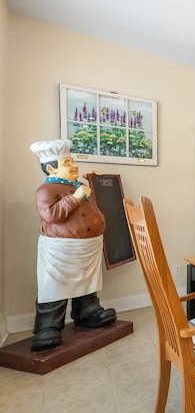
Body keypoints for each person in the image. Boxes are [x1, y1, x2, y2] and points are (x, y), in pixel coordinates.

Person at [29, 139, 116, 351]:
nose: (73, 165)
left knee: (88, 282)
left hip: (88, 247)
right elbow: (52, 215)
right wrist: (75, 197)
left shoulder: (77, 186)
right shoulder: (46, 190)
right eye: (67, 163)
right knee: (54, 284)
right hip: (61, 249)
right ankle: (48, 325)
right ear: (51, 167)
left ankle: (87, 311)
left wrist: (92, 183)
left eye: (72, 161)